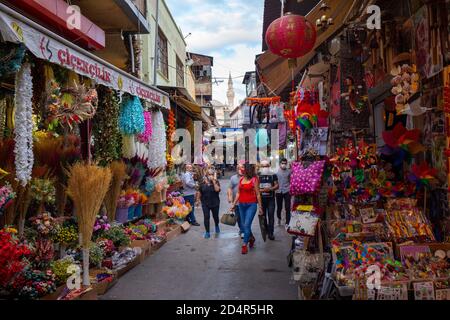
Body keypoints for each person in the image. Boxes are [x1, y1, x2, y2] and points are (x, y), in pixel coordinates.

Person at [231, 164, 263, 255]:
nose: (241, 169)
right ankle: (251, 238)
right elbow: (238, 193)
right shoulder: (241, 180)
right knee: (244, 225)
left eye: (243, 168)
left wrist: (260, 207)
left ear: (247, 170)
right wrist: (233, 204)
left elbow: (258, 194)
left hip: (251, 205)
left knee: (247, 224)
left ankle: (244, 245)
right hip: (241, 205)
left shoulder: (254, 180)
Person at [196, 166, 221, 239]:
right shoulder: (202, 183)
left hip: (215, 203)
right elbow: (199, 192)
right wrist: (197, 201)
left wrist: (213, 181)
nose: (210, 176)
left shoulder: (216, 182)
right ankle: (207, 232)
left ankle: (216, 225)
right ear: (206, 175)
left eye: (212, 174)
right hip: (205, 203)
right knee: (206, 217)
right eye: (209, 174)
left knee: (215, 217)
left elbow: (217, 190)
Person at [258, 160, 279, 240]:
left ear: (269, 166)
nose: (265, 167)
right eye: (263, 166)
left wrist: (270, 189)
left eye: (266, 165)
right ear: (260, 166)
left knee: (271, 216)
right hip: (261, 200)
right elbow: (255, 188)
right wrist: (261, 191)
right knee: (263, 216)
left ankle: (271, 233)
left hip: (271, 199)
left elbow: (277, 185)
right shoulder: (258, 175)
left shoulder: (273, 174)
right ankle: (266, 230)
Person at [227, 163, 245, 237]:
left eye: (241, 168)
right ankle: (242, 229)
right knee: (238, 218)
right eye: (238, 168)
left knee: (244, 217)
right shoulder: (233, 178)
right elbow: (229, 188)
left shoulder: (247, 177)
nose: (240, 169)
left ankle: (244, 231)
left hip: (245, 201)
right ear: (236, 170)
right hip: (236, 202)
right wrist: (229, 196)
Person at [276, 158, 291, 228]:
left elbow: (291, 180)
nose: (284, 165)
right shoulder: (276, 172)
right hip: (278, 191)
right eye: (282, 163)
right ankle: (279, 218)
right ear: (280, 164)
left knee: (287, 207)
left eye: (285, 163)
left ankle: (287, 222)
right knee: (279, 207)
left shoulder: (289, 171)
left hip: (287, 190)